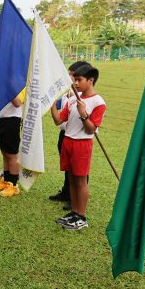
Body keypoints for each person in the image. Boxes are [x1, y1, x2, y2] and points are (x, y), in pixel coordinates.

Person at [50, 64, 106, 230]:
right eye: (74, 79)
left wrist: (83, 115)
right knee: (72, 180)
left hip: (82, 144)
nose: (75, 83)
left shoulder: (98, 102)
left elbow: (91, 129)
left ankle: (81, 217)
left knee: (81, 181)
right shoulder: (74, 98)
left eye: (79, 80)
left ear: (91, 80)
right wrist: (52, 105)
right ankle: (74, 212)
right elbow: (59, 121)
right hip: (68, 140)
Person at [47, 60, 91, 207]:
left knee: (79, 171)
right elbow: (60, 118)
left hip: (79, 139)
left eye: (72, 75)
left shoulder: (84, 96)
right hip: (65, 135)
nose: (69, 77)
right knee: (68, 168)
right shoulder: (69, 92)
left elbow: (90, 125)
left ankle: (76, 201)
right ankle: (67, 192)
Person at [0, 90, 25, 197]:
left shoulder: (19, 83)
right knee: (4, 151)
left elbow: (17, 102)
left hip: (12, 119)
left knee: (12, 153)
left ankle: (13, 185)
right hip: (0, 117)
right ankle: (6, 180)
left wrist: (7, 85)